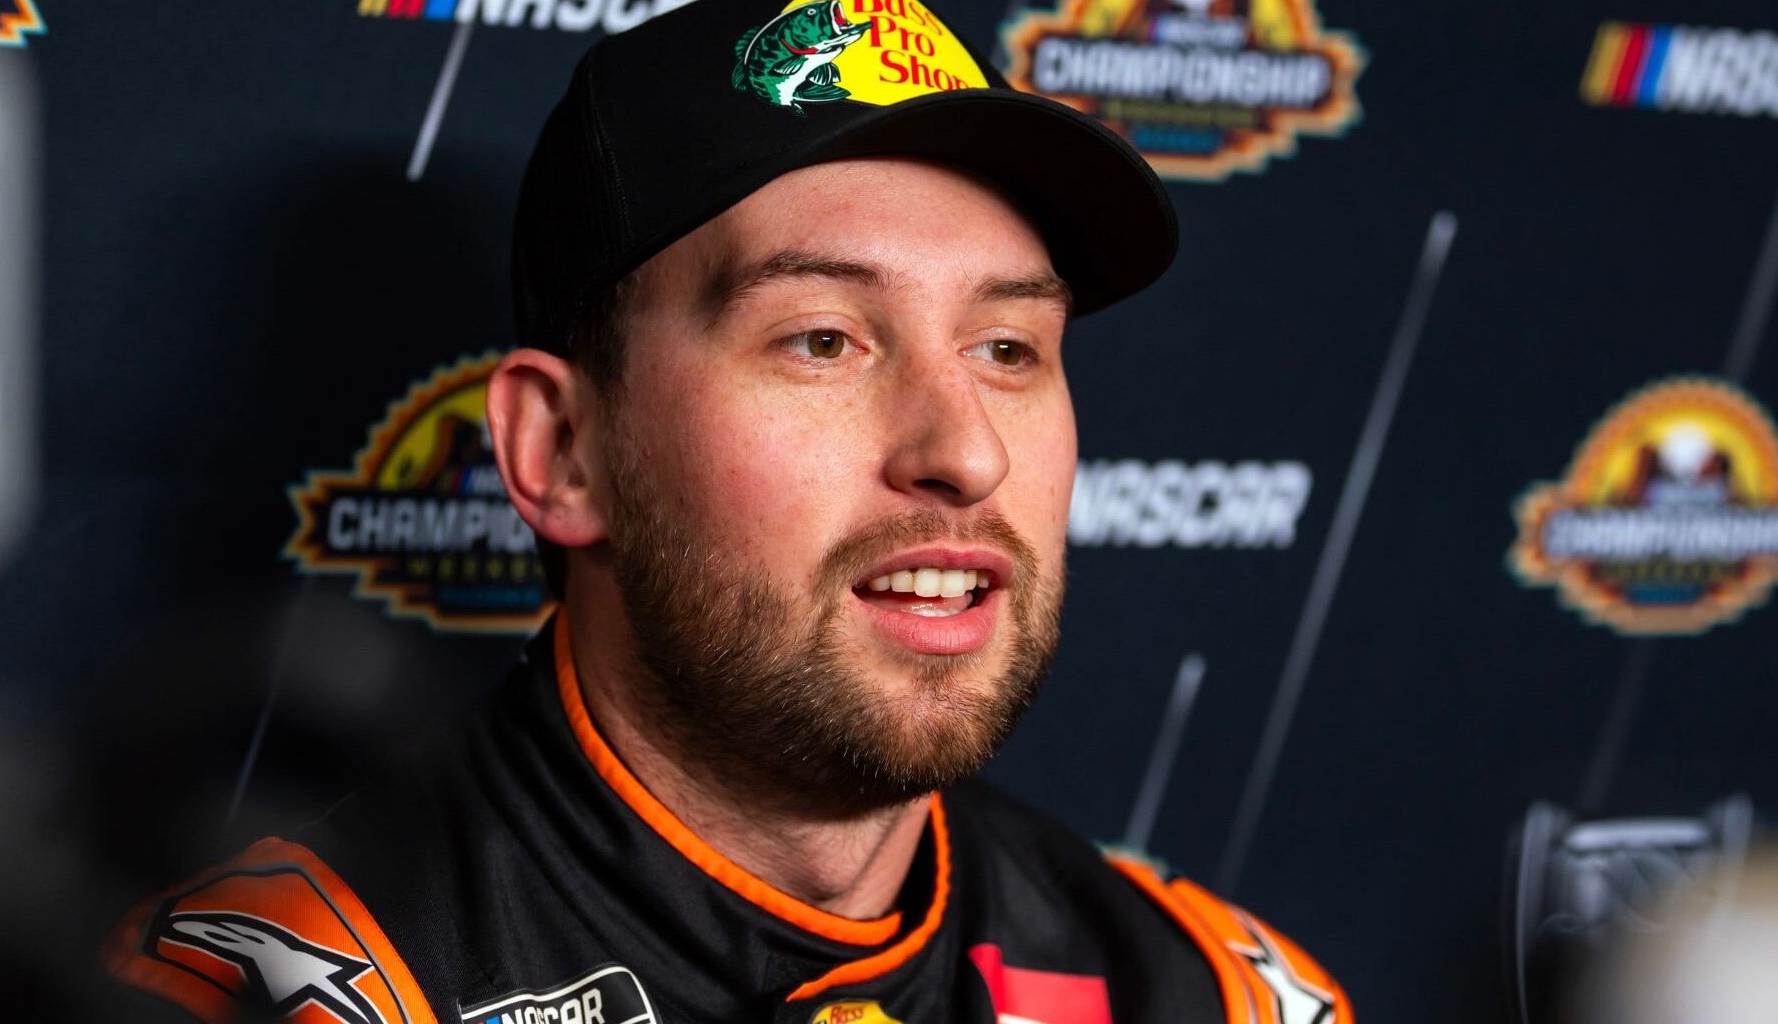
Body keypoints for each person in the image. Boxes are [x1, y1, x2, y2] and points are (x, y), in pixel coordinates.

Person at [104, 0, 1352, 1020]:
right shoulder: (282, 990)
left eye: (1009, 348)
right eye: (824, 339)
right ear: (562, 451)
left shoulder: (1220, 996)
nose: (965, 452)